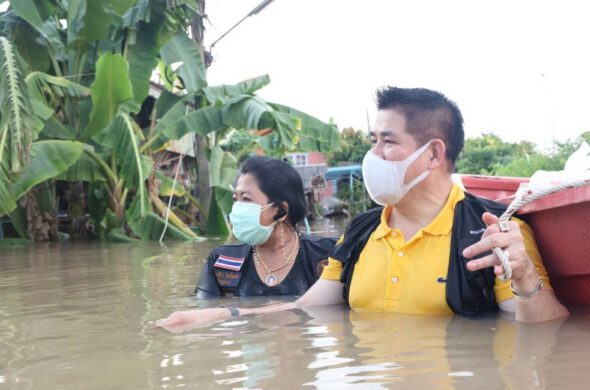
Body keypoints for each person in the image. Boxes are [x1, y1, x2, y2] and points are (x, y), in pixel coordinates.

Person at [159, 87, 568, 331]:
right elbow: (308, 308)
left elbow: (546, 333)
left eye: (387, 141)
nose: (372, 154)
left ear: (433, 154)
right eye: (373, 139)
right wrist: (221, 317)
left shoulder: (491, 229)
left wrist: (528, 279)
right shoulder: (360, 232)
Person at [195, 155, 336, 299]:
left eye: (246, 199)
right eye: (235, 199)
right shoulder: (222, 262)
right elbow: (205, 312)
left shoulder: (329, 255)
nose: (237, 208)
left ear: (281, 210)